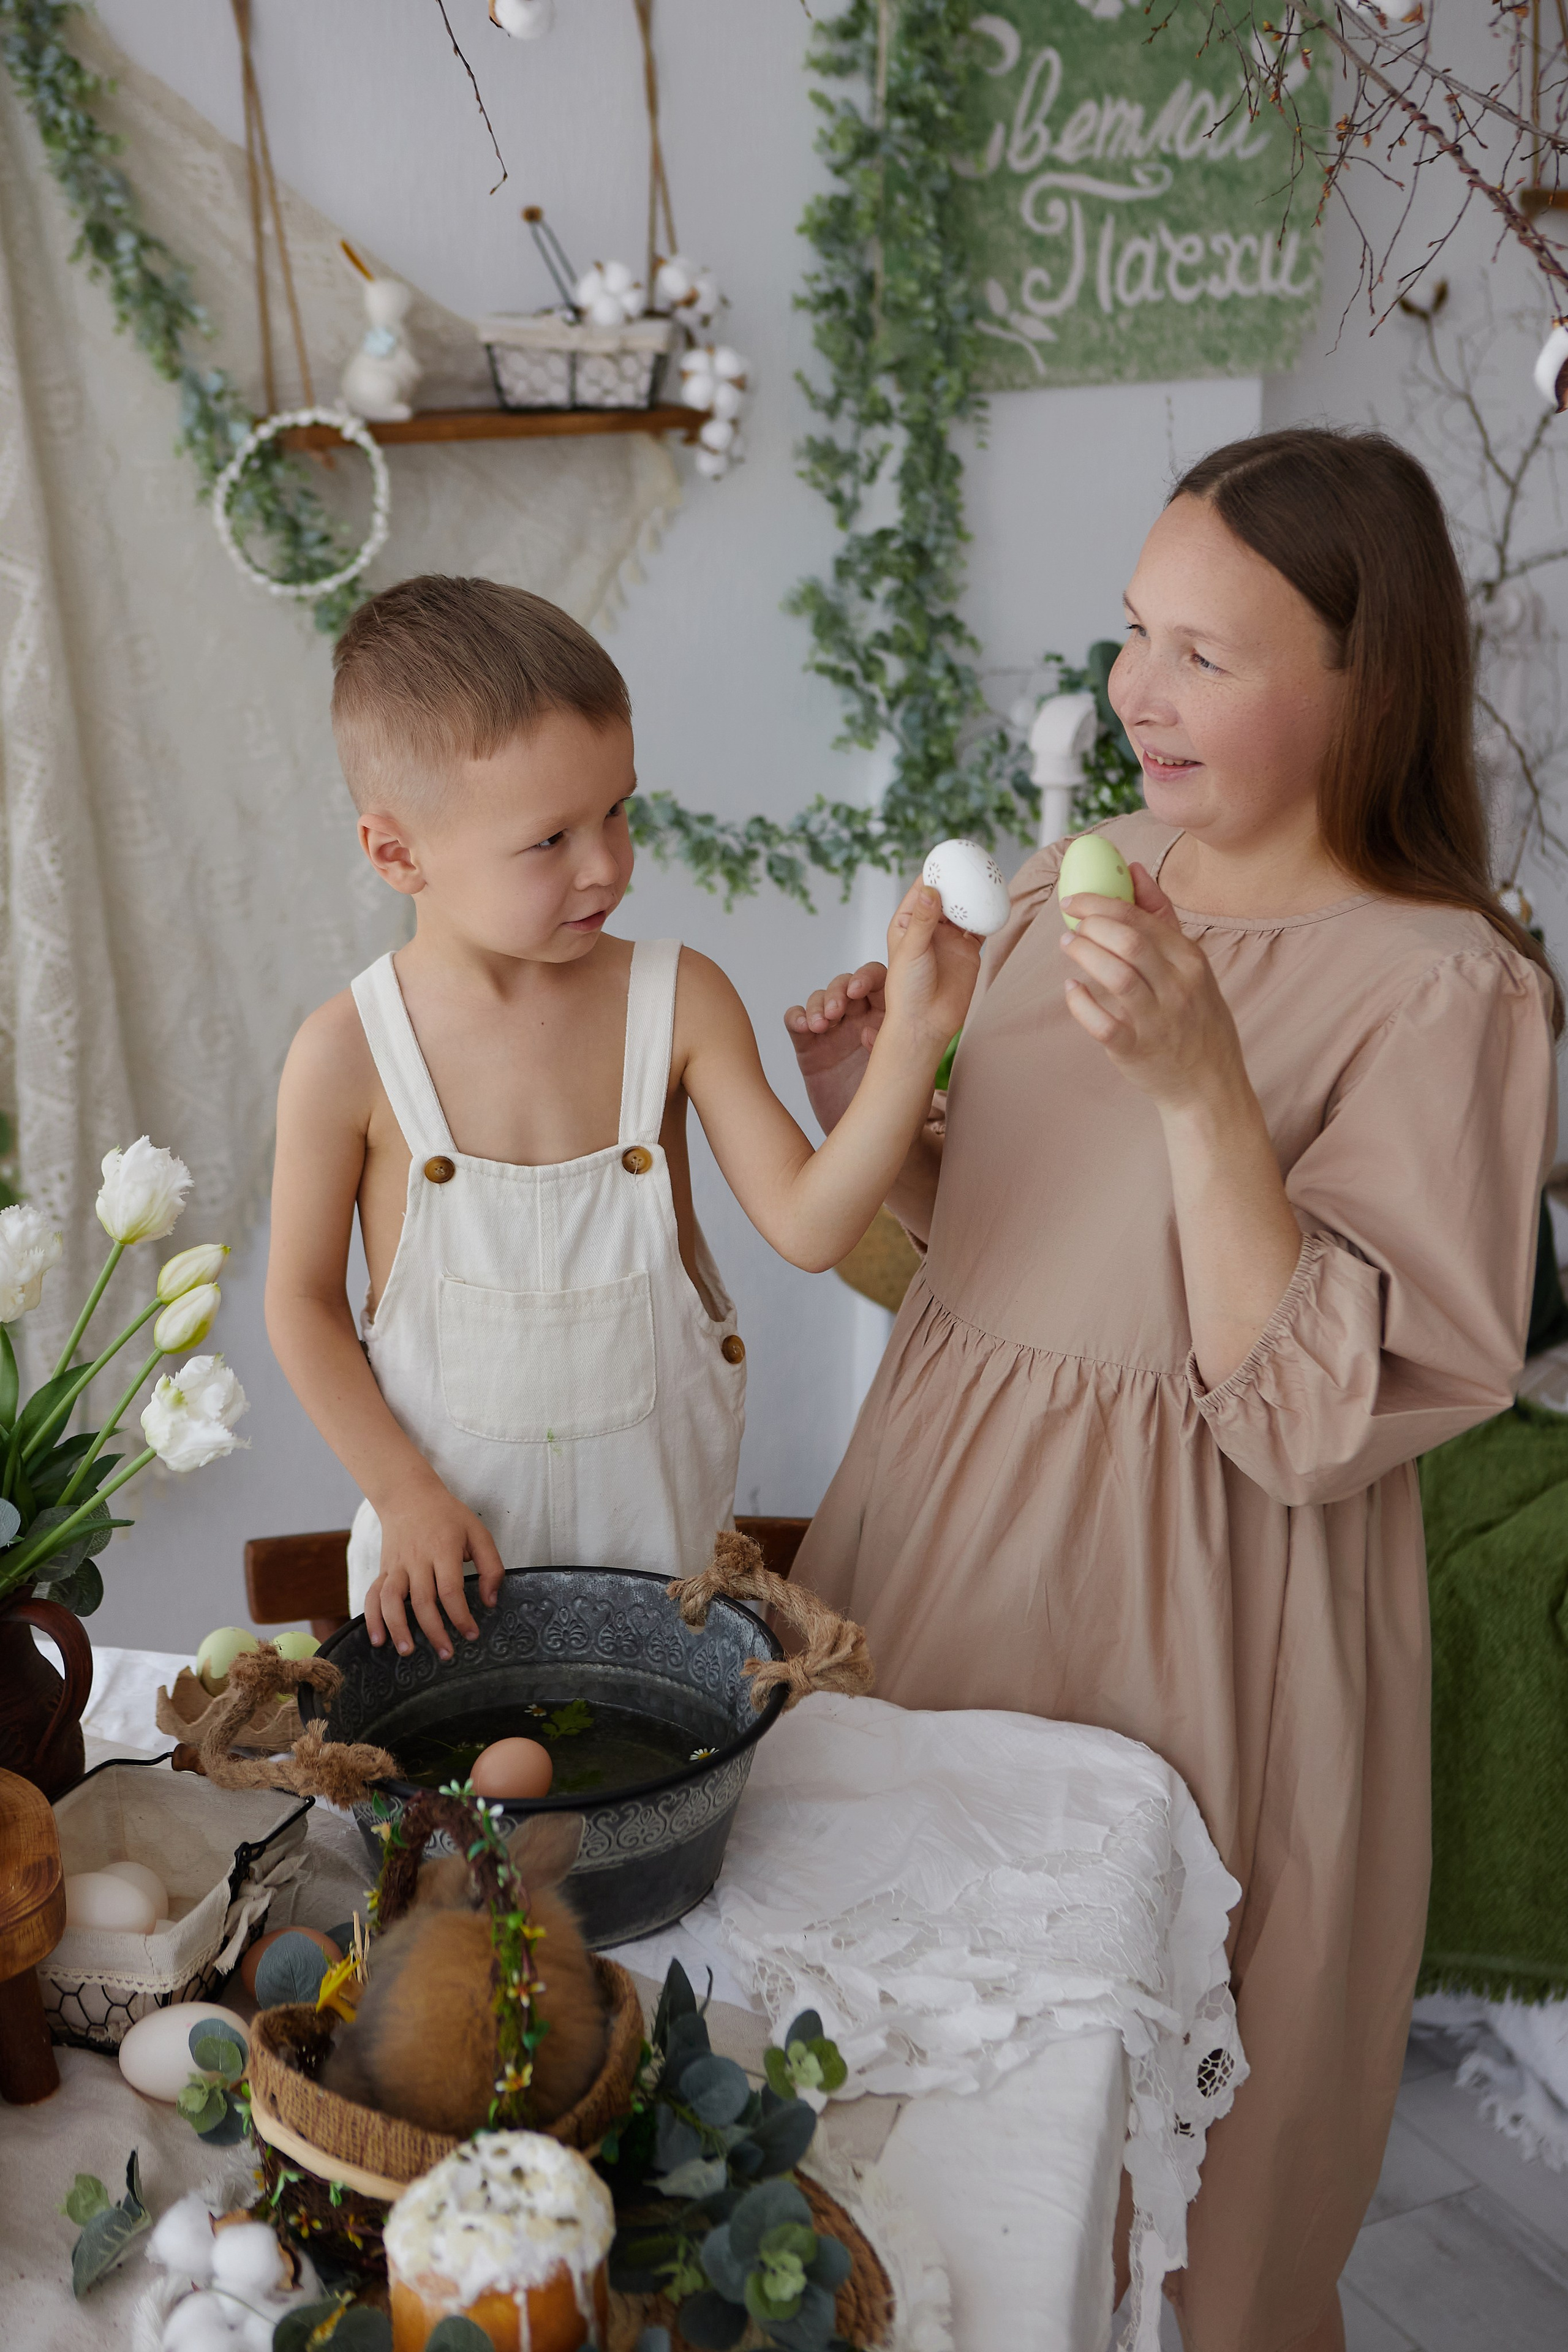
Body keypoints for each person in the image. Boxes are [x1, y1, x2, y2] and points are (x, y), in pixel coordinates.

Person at [785, 430, 1560, 2352]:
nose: (1141, 692)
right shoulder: (1071, 885)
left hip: (1207, 1644)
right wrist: (879, 1120)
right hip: (936, 1574)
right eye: (1138, 635)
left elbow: (1307, 1417)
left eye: (1209, 654)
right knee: (902, 2177)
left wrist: (1210, 1092)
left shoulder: (1448, 987)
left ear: (1369, 685)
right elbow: (970, 1274)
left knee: (1164, 2221)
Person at [266, 575, 976, 1661]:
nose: (607, 863)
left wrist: (916, 1039)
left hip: (667, 1602)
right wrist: (402, 1492)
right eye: (549, 839)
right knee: (455, 1832)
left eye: (618, 808)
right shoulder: (347, 1053)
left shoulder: (678, 998)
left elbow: (812, 1225)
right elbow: (303, 1305)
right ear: (398, 853)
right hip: (443, 1600)